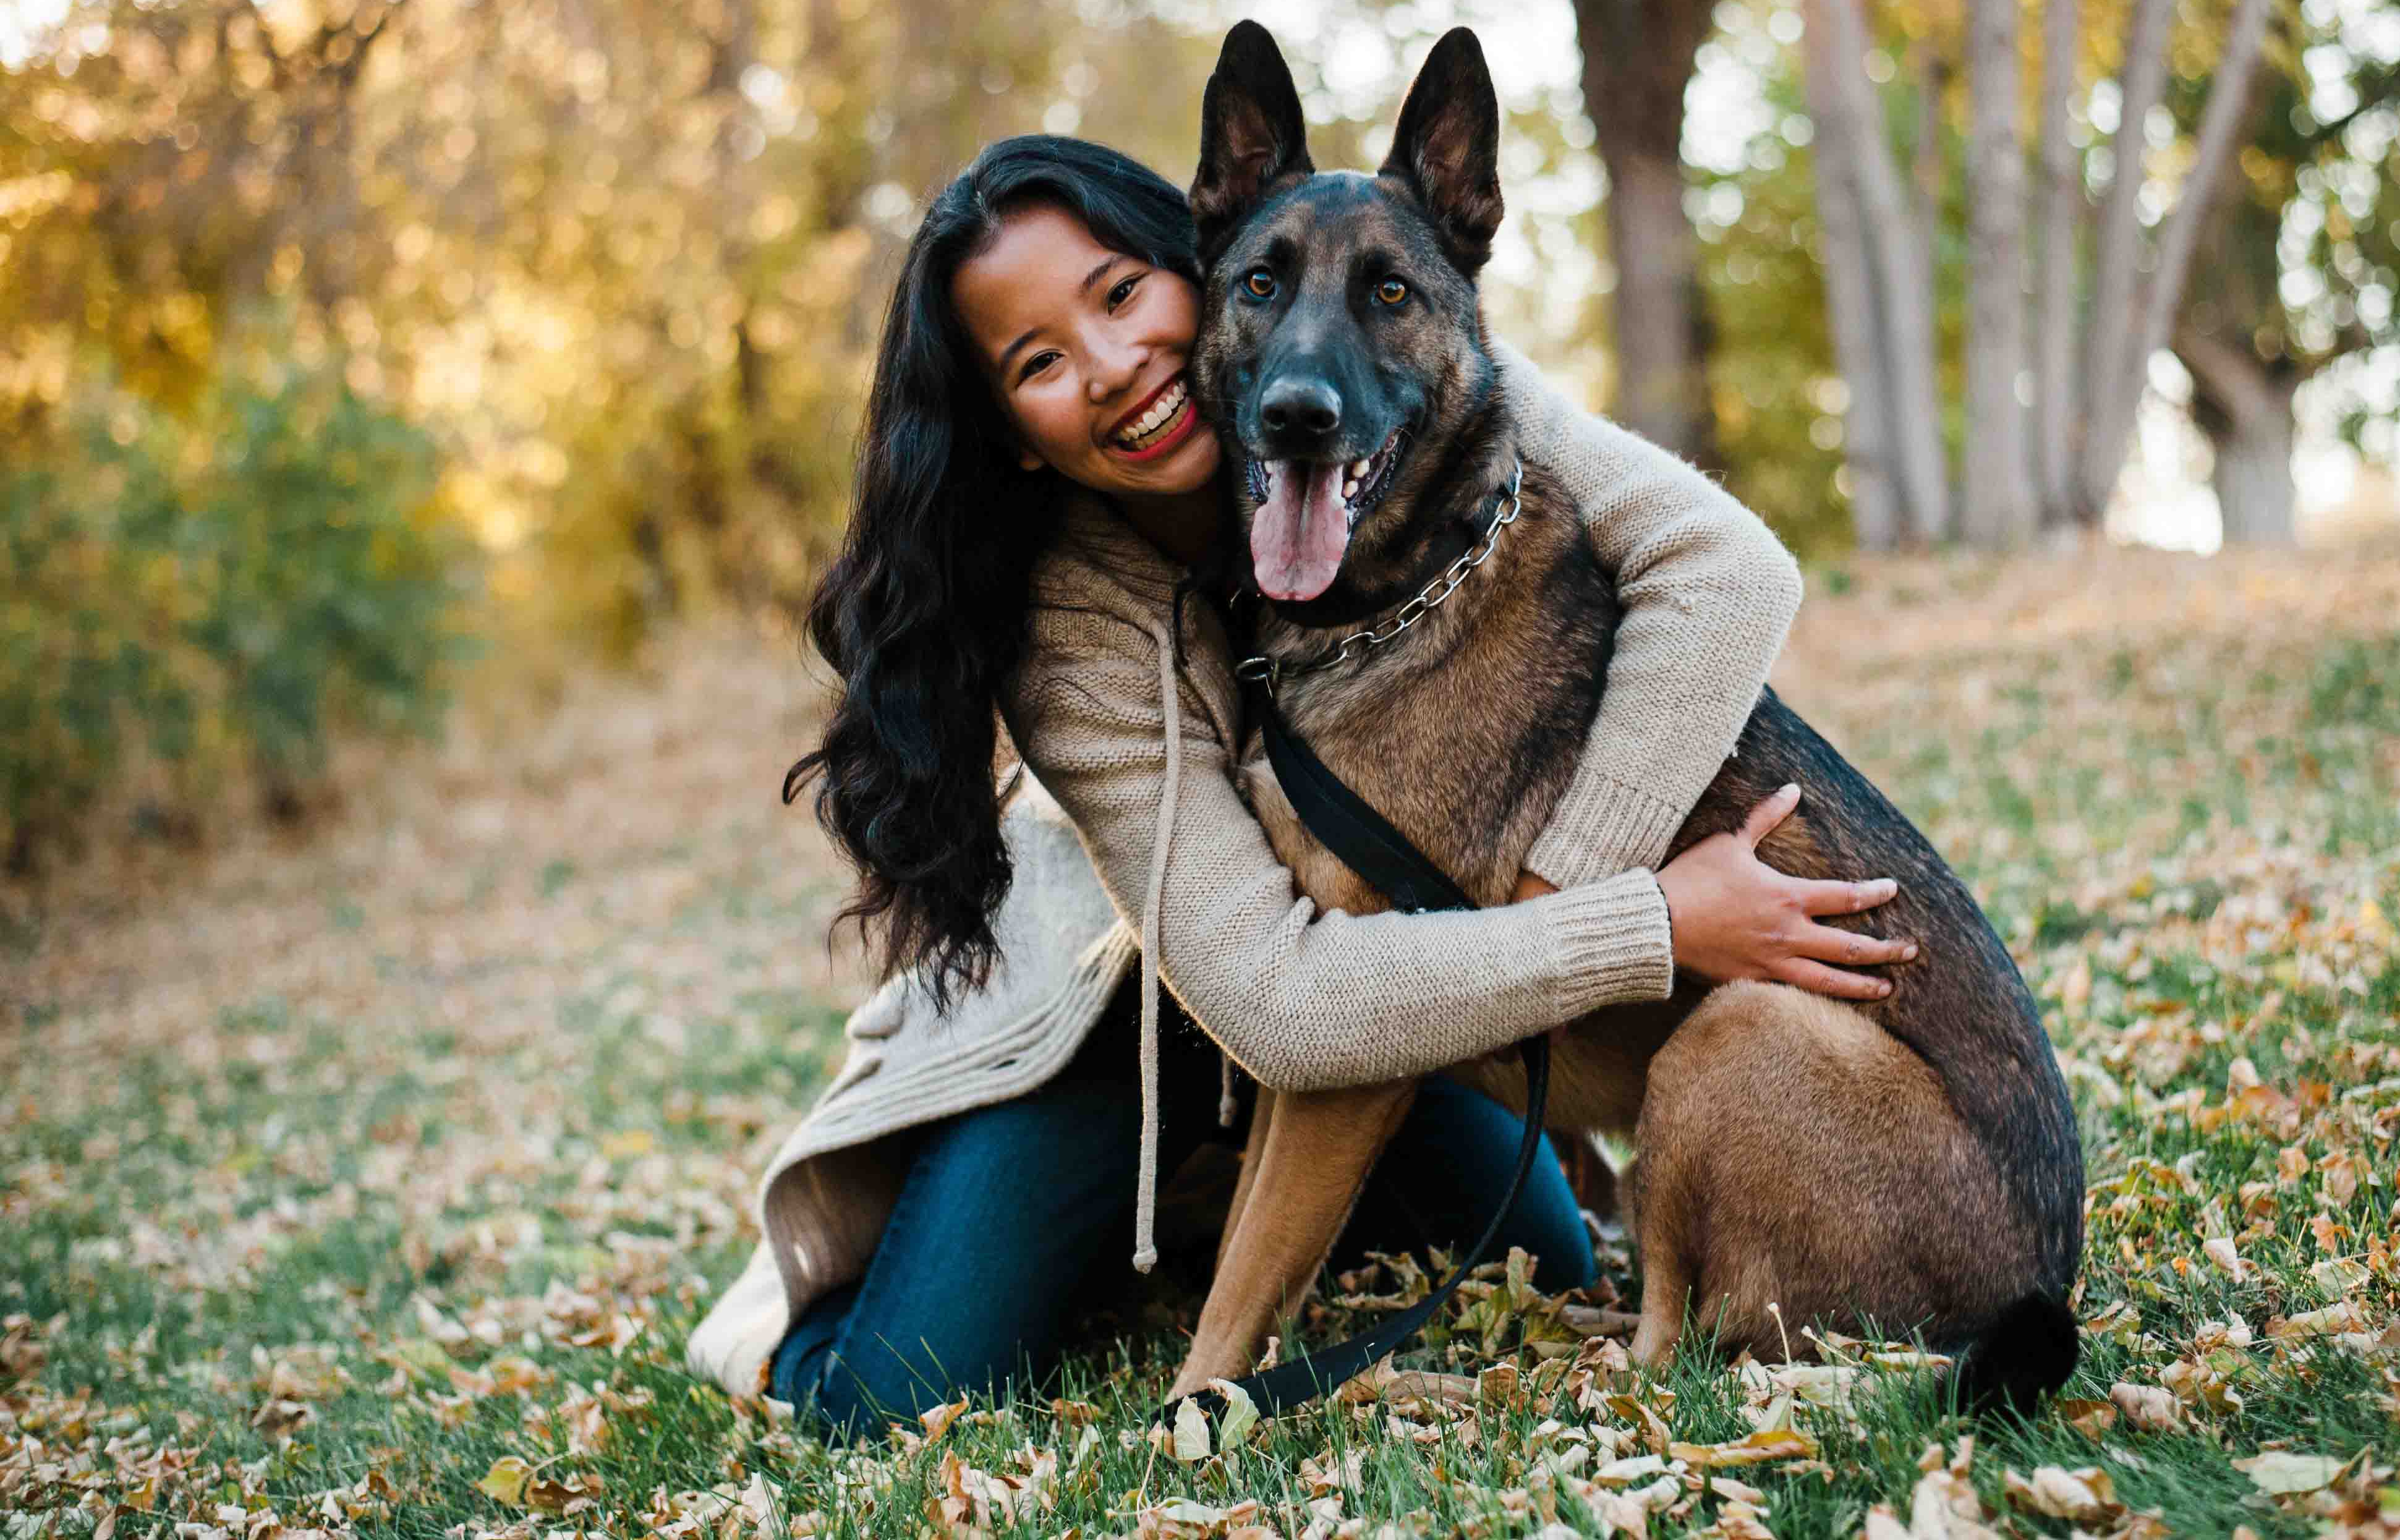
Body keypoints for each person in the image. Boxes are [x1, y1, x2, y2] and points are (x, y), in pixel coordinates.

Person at [687, 136, 1915, 1435]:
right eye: (1038, 365)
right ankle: (907, 1285)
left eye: (1119, 297)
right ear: (1016, 436)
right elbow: (1278, 1004)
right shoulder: (1068, 629)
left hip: (1376, 970)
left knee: (1544, 1272)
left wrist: (1561, 887)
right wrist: (1639, 927)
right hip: (1114, 1029)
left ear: (1200, 270)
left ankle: (1214, 1217)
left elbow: (1730, 574)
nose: (1112, 370)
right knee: (887, 1400)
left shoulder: (1403, 384)